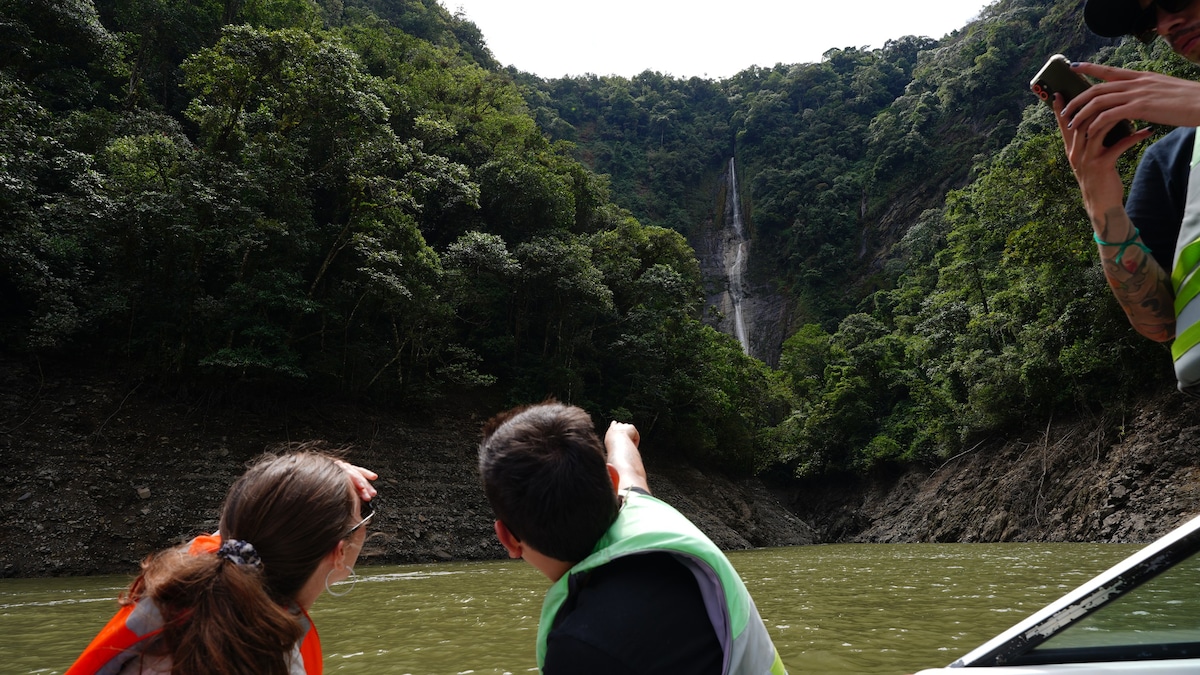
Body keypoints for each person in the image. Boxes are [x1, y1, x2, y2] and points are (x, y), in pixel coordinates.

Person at [477, 401, 787, 675]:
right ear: (611, 482)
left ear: (507, 538)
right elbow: (630, 471)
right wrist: (620, 436)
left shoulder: (578, 651)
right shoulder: (644, 514)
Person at [66, 449, 378, 675]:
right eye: (363, 513)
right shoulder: (274, 661)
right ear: (338, 553)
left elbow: (253, 524)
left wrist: (319, 477)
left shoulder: (185, 578)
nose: (366, 519)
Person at [1057, 0, 1200, 391]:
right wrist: (1102, 205)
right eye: (1148, 20)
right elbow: (1160, 323)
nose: (1166, 23)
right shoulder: (1169, 160)